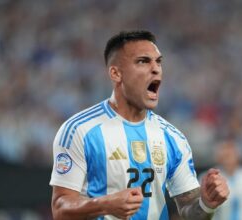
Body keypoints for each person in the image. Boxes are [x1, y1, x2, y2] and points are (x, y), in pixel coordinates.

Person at [49, 30, 229, 220]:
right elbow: (60, 208)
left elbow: (189, 212)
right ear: (116, 73)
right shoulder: (80, 130)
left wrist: (206, 205)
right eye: (143, 61)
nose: (156, 69)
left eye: (158, 61)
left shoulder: (173, 138)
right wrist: (104, 205)